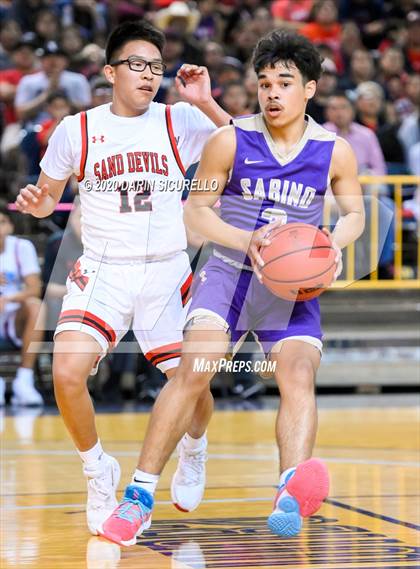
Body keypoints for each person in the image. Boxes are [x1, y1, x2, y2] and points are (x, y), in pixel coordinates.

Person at [100, 29, 365, 545]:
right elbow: (196, 209)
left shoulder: (335, 151)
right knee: (195, 369)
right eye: (264, 82)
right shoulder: (229, 139)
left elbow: (354, 213)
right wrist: (250, 240)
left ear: (309, 89)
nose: (272, 92)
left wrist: (335, 244)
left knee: (297, 375)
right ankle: (138, 496)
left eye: (284, 83)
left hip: (292, 289)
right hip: (229, 274)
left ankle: (288, 490)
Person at [15, 20, 230, 537]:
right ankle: (97, 471)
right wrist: (36, 202)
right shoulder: (77, 129)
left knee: (196, 383)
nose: (149, 74)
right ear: (110, 71)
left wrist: (206, 101)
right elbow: (47, 200)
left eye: (156, 66)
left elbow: (250, 146)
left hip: (167, 270)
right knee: (66, 374)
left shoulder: (180, 119)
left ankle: (193, 449)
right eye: (137, 64)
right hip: (105, 270)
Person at [0, 201, 44, 406]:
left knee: (36, 306)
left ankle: (24, 380)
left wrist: (8, 298)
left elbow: (34, 288)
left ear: (10, 226)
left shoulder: (22, 247)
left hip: (14, 316)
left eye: (2, 222)